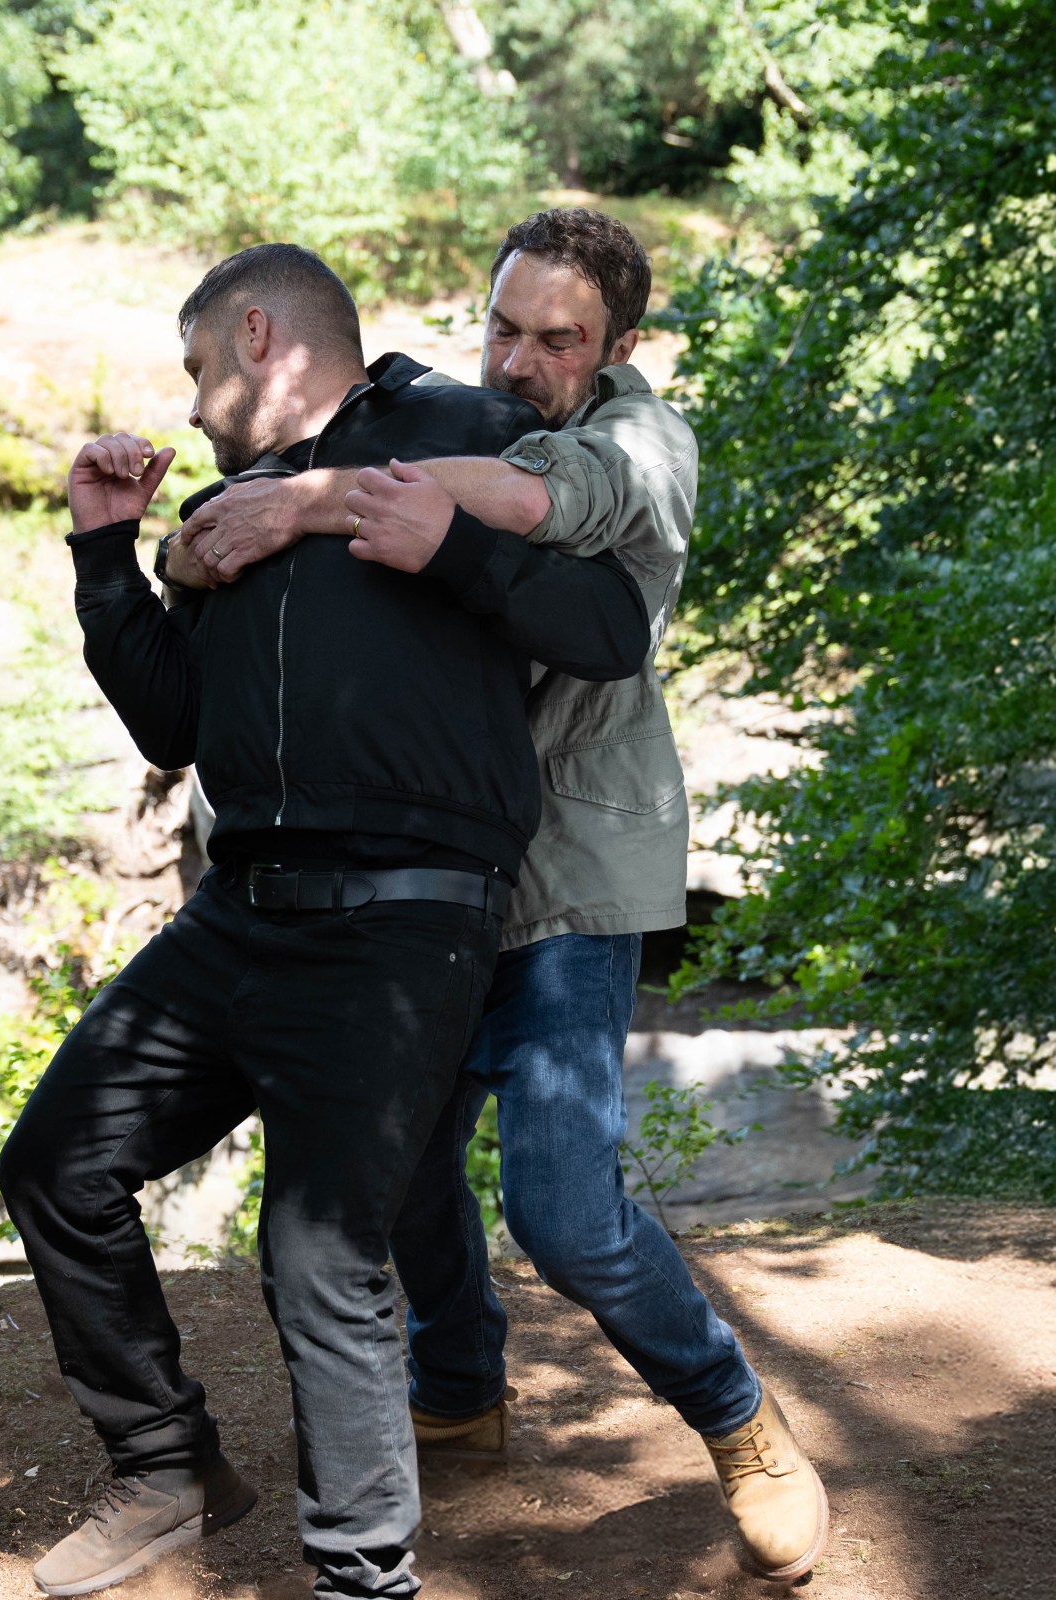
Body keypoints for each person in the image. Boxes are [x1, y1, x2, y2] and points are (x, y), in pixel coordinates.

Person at [174, 209, 830, 1584]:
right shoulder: (440, 431)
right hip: (419, 888)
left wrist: (315, 498)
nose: (524, 360)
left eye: (561, 339)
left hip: (573, 872)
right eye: (506, 327)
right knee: (403, 1163)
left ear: (620, 347)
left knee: (563, 1206)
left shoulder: (641, 441)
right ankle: (460, 1390)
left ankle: (738, 1416)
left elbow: (558, 496)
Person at [0, 241, 654, 1599]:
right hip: (240, 916)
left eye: (194, 371)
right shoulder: (230, 509)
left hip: (409, 923)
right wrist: (105, 554)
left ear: (256, 335)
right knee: (55, 1162)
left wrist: (452, 543)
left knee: (318, 1252)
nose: (185, 409)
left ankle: (363, 1579)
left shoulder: (462, 429)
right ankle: (166, 1466)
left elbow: (609, 624)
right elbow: (174, 723)